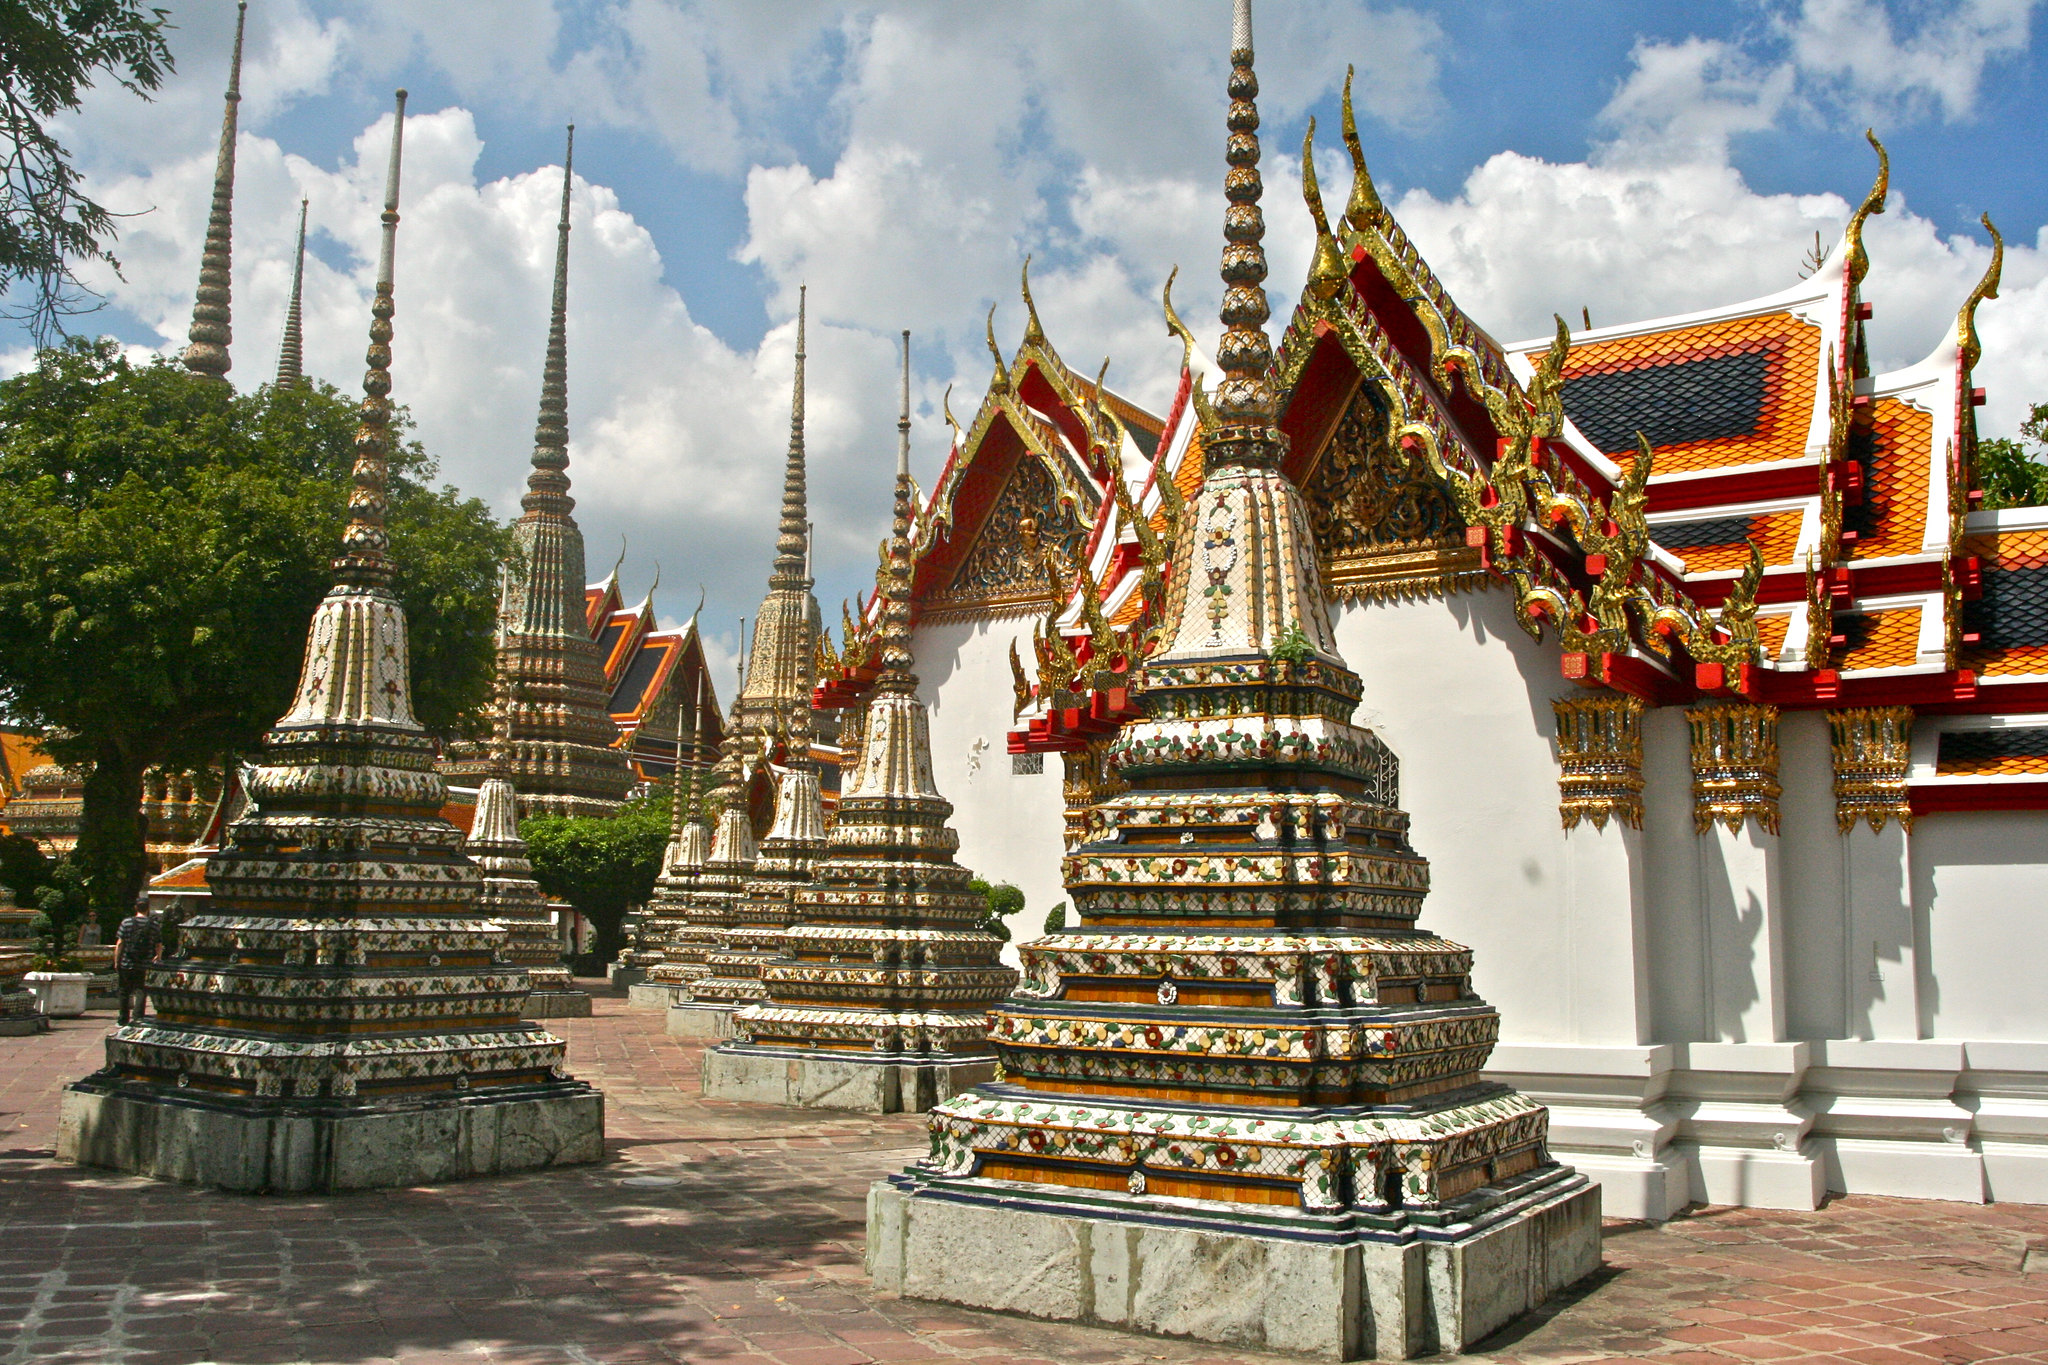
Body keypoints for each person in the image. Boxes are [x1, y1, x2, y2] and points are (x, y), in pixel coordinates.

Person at [114, 896, 162, 1026]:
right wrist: (158, 957)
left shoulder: (126, 922)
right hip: (144, 963)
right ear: (148, 908)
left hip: (127, 962)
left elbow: (120, 943)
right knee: (141, 990)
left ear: (136, 907)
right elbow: (158, 944)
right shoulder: (154, 925)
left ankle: (123, 1019)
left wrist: (116, 961)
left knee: (124, 991)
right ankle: (138, 1017)